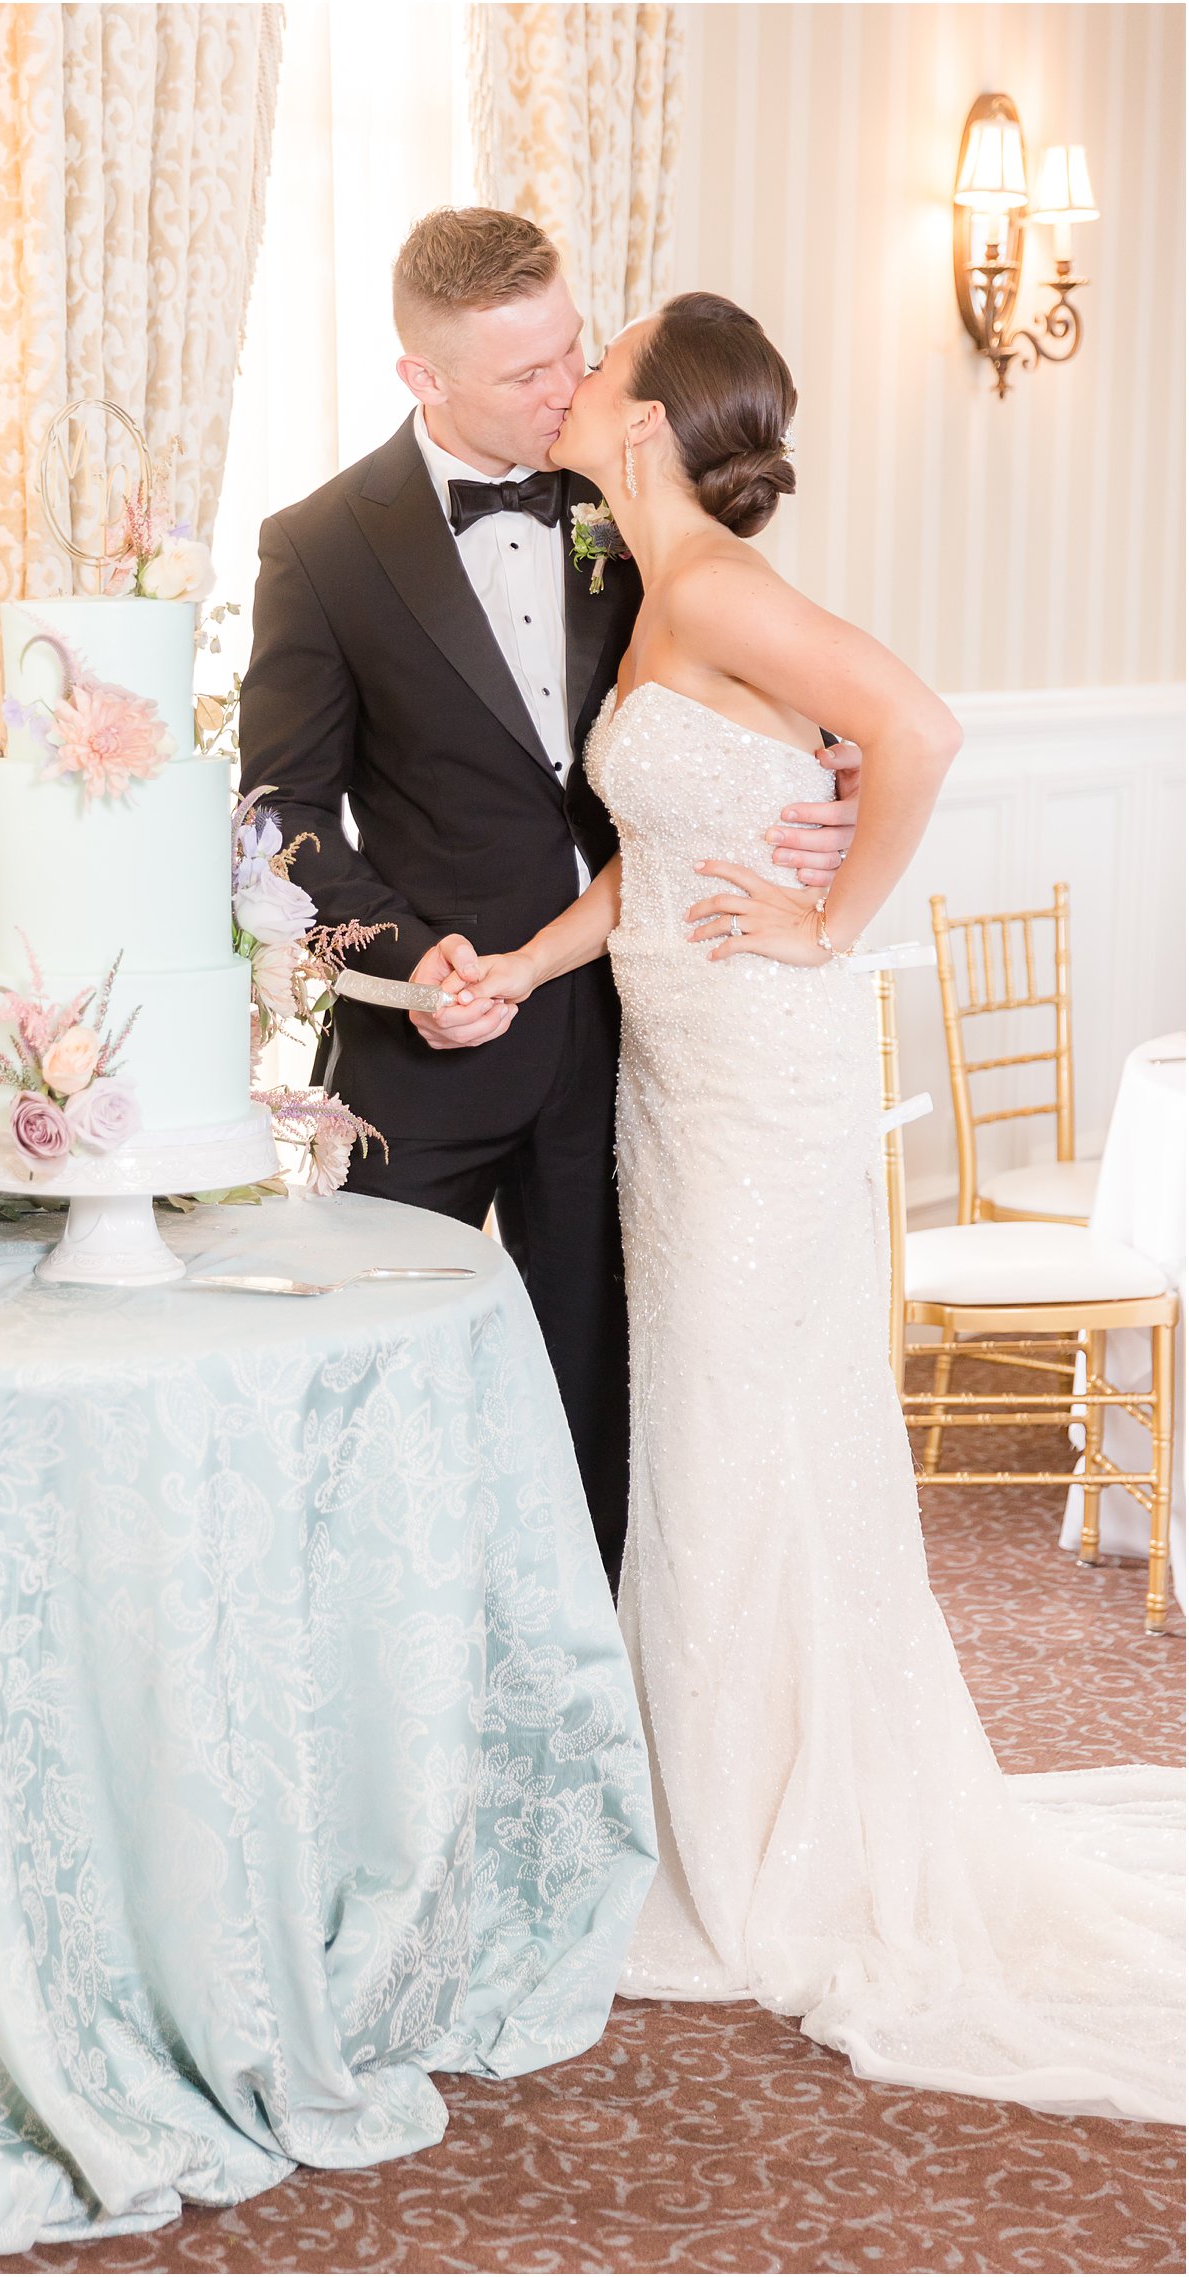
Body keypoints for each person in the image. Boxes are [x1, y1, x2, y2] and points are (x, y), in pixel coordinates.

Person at [465, 289, 1184, 2122]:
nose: (573, 380)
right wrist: (522, 959)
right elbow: (652, 859)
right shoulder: (658, 595)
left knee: (736, 1430)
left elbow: (919, 728)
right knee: (729, 1440)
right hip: (675, 1080)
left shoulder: (706, 593)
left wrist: (831, 913)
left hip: (767, 1079)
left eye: (597, 359)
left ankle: (774, 1838)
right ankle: (734, 1799)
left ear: (642, 418)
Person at [238, 211, 858, 1582]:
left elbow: (775, 698)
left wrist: (829, 790)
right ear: (423, 378)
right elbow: (281, 813)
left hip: (641, 1032)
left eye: (574, 347)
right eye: (528, 374)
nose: (570, 387)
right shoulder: (320, 547)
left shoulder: (621, 485)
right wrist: (410, 959)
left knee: (614, 1401)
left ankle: (596, 1730)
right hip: (425, 1051)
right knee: (373, 1391)